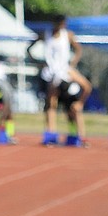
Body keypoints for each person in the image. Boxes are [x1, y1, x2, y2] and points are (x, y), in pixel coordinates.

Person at [41, 15, 92, 145]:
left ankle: (80, 136)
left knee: (74, 110)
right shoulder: (46, 34)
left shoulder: (67, 35)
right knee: (51, 105)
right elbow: (31, 47)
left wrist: (80, 103)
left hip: (66, 75)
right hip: (53, 74)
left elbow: (87, 87)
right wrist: (39, 62)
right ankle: (51, 134)